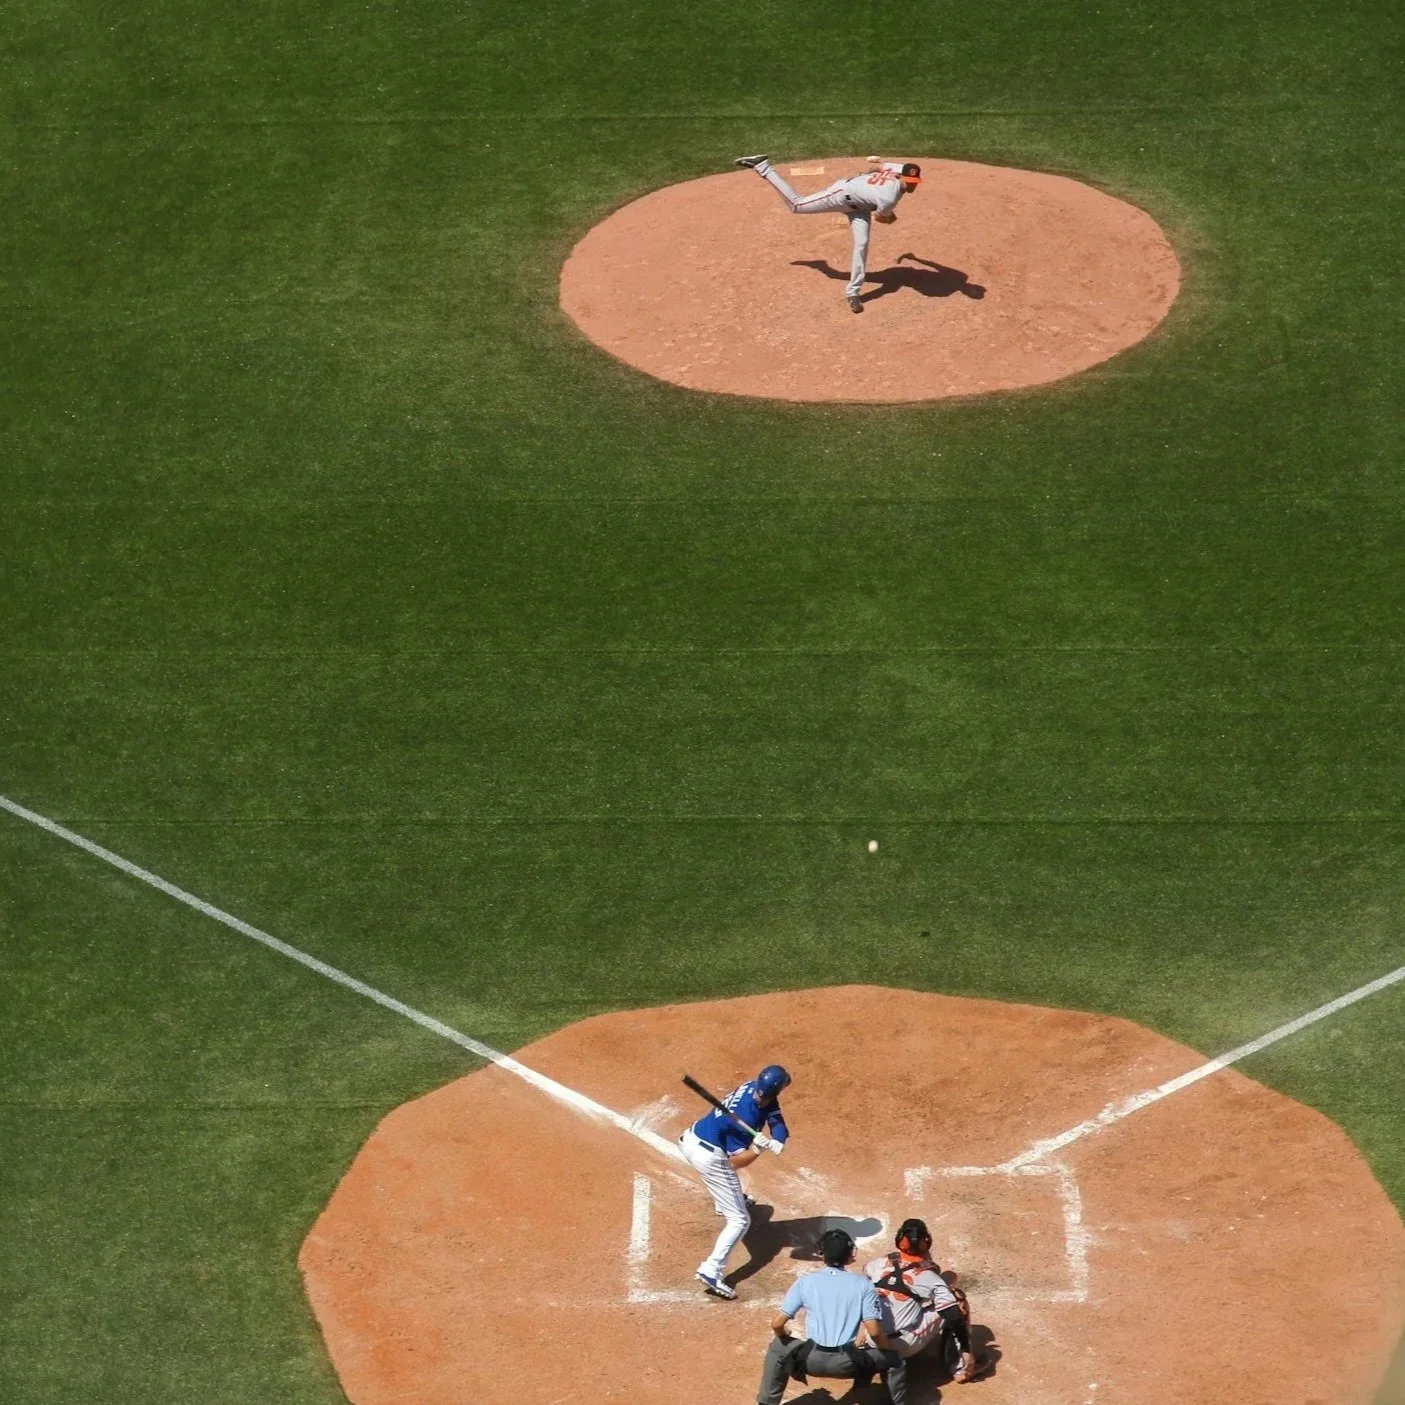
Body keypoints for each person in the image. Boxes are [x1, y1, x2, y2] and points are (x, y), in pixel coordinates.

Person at [734, 154, 923, 313]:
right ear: (903, 177)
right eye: (910, 181)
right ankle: (763, 166)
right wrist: (890, 216)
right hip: (841, 195)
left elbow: (879, 167)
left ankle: (853, 293)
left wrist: (865, 179)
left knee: (862, 243)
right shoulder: (888, 196)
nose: (912, 185)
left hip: (860, 205)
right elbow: (882, 218)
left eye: (915, 182)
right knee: (797, 205)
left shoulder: (899, 169)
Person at [756, 1227, 907, 1405]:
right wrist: (887, 1352)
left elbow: (777, 1324)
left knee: (777, 1347)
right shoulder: (863, 1284)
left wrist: (783, 1335)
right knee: (895, 1361)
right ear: (849, 1253)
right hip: (847, 1363)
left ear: (822, 1253)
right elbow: (874, 1332)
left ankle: (766, 1403)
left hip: (809, 1360)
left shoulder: (805, 1282)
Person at [679, 1064, 792, 1299]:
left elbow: (776, 1119)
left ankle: (725, 1201)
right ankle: (712, 1269)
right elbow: (736, 1163)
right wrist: (758, 1148)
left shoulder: (755, 1087)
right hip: (709, 1156)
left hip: (693, 1138)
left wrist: (779, 1139)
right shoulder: (745, 1117)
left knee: (733, 1194)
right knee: (740, 1220)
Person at [863, 1218, 987, 1383]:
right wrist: (966, 1348)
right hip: (901, 1344)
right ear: (926, 1242)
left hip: (870, 1335)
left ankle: (855, 1345)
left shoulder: (877, 1264)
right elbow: (954, 1316)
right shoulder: (930, 1277)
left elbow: (864, 1277)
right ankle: (962, 1368)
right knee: (956, 1299)